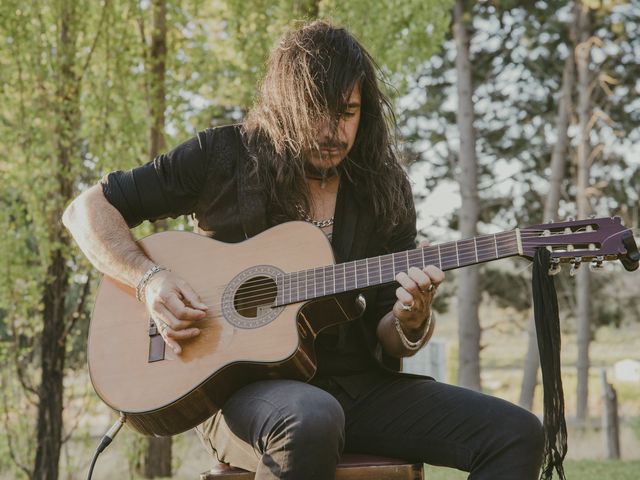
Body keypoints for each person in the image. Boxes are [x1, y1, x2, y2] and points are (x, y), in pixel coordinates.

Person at [63, 20, 543, 480]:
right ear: (284, 105)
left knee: (515, 433)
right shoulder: (222, 157)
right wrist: (149, 281)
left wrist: (411, 321)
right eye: (316, 112)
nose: (334, 131)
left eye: (347, 113)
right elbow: (87, 209)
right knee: (311, 417)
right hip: (245, 397)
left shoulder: (385, 189)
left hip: (360, 391)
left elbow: (390, 333)